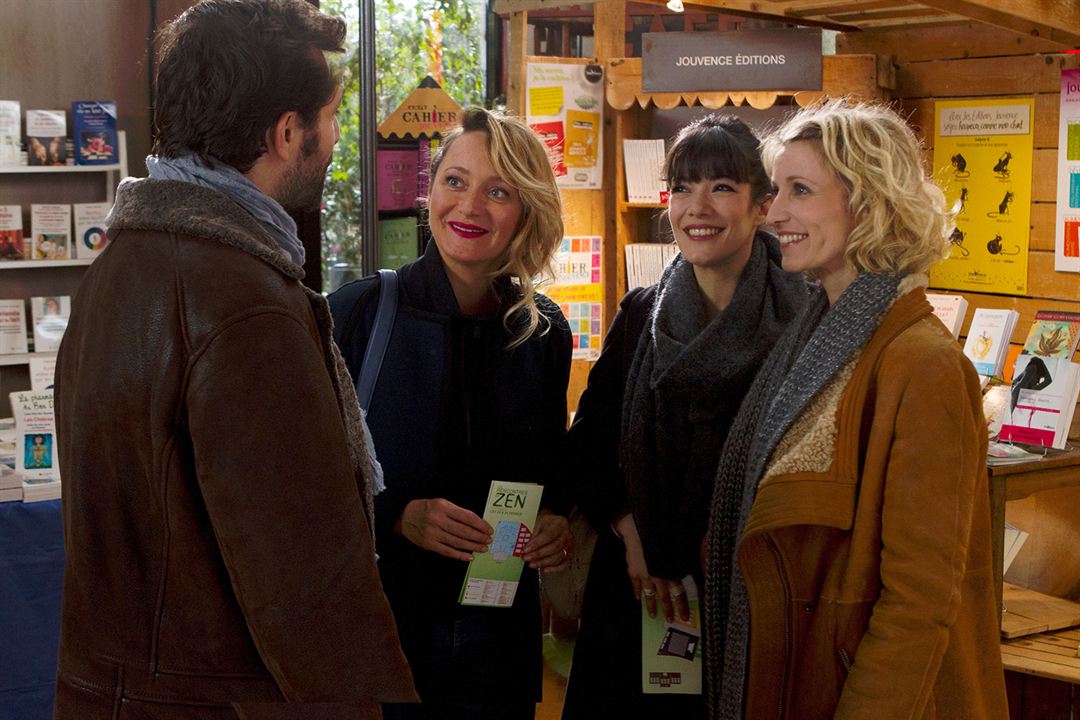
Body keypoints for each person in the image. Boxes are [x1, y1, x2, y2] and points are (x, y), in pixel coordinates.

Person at [52, 1, 416, 718]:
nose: (336, 136)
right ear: (288, 133)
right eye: (332, 116)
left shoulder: (118, 265)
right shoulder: (244, 300)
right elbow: (303, 583)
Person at [703, 99, 1009, 719]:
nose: (774, 213)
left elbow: (920, 602)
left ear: (868, 203)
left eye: (800, 191)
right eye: (775, 190)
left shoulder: (922, 363)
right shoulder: (815, 338)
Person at [329, 107, 574, 720]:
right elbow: (294, 474)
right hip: (382, 638)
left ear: (528, 211)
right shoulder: (357, 313)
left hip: (498, 649)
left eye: (499, 191)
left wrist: (558, 517)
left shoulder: (542, 331)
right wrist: (398, 516)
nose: (469, 207)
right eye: (455, 182)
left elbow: (550, 463)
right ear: (430, 192)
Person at [560, 115, 806, 719]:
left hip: (754, 598)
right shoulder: (642, 315)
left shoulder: (805, 324)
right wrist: (630, 530)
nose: (697, 207)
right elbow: (589, 447)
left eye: (721, 187)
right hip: (640, 597)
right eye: (681, 188)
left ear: (761, 206)